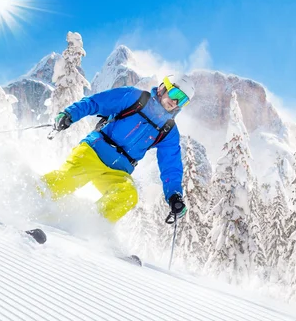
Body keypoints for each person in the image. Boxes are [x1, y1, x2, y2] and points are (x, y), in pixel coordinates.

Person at [40, 75, 195, 224]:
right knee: (65, 180)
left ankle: (89, 225)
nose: (175, 102)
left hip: (119, 170)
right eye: (175, 93)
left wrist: (174, 195)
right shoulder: (135, 98)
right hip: (94, 152)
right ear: (163, 88)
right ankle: (30, 197)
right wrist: (70, 114)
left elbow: (171, 165)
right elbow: (96, 102)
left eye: (182, 100)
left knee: (127, 195)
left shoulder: (168, 130)